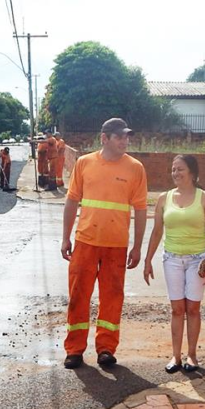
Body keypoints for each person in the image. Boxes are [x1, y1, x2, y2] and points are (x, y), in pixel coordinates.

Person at [60, 118, 148, 369]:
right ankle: (74, 349)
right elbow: (71, 201)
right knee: (78, 296)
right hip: (85, 242)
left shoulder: (135, 168)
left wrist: (137, 246)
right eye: (119, 136)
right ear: (104, 138)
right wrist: (66, 236)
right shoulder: (84, 163)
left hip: (116, 245)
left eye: (126, 136)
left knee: (112, 297)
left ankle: (106, 348)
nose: (125, 141)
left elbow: (140, 209)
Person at [143, 155, 205, 373]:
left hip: (199, 260)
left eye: (180, 169)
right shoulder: (164, 198)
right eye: (173, 169)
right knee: (177, 309)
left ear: (192, 173)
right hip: (172, 259)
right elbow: (157, 232)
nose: (175, 173)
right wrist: (148, 260)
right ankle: (175, 356)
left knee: (192, 308)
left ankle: (192, 355)